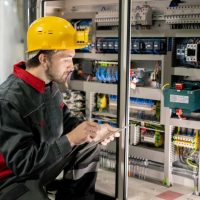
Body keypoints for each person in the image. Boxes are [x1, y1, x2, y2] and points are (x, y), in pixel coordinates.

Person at [0, 16, 119, 200]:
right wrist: (71, 139)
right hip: (12, 179)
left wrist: (92, 131)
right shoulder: (9, 100)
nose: (72, 66)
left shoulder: (49, 85)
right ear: (43, 59)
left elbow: (67, 121)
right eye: (66, 59)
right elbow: (22, 165)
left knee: (88, 145)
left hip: (41, 164)